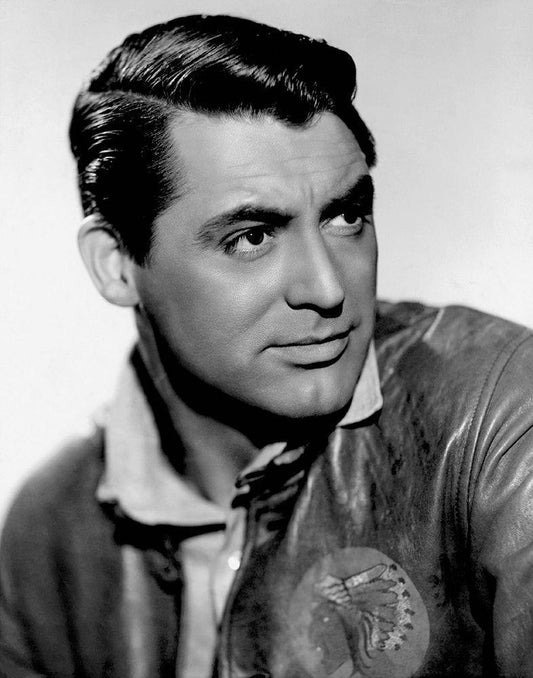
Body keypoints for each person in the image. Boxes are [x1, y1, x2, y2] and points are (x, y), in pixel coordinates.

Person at [1, 13, 532, 678]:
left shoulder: (496, 422)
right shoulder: (50, 531)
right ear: (116, 264)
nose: (327, 288)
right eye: (251, 236)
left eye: (345, 216)